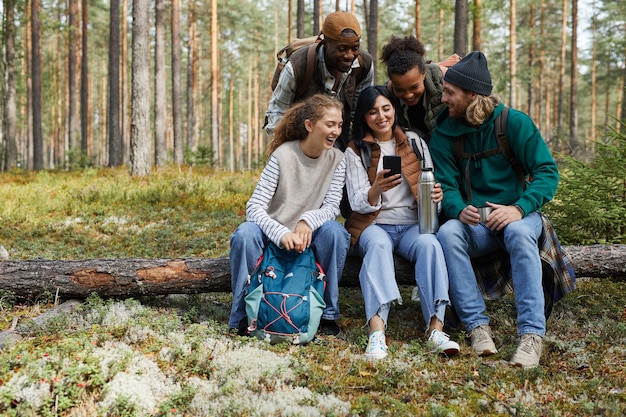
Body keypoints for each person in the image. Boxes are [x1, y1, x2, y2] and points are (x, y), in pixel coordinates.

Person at [429, 51, 561, 368]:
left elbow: (547, 173)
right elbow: (444, 184)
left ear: (472, 95)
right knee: (448, 232)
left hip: (519, 215)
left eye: (450, 93)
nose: (443, 97)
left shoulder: (513, 123)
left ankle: (531, 336)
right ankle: (477, 327)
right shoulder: (444, 132)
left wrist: (519, 208)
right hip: (476, 222)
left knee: (517, 231)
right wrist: (458, 209)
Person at [344, 85, 460, 360]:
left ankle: (436, 329)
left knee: (431, 246)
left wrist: (437, 197)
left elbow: (430, 190)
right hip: (374, 224)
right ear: (363, 117)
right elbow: (355, 201)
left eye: (386, 108)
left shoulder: (415, 142)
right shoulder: (355, 151)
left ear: (394, 109)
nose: (381, 116)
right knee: (377, 247)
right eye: (372, 112)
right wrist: (376, 188)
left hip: (412, 225)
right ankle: (377, 333)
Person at [229, 94, 350, 337]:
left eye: (339, 124)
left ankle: (327, 314)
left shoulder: (337, 158)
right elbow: (254, 207)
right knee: (244, 234)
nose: (336, 131)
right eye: (329, 124)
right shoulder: (283, 155)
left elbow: (332, 206)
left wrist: (307, 220)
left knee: (336, 232)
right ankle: (242, 316)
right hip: (272, 234)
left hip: (308, 236)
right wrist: (281, 232)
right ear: (309, 125)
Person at [264, 11, 374, 151]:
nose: (349, 55)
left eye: (355, 48)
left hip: (340, 141)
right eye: (342, 48)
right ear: (326, 43)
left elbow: (361, 114)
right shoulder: (297, 66)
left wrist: (356, 153)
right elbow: (277, 112)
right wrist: (286, 153)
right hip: (301, 141)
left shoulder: (364, 65)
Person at [380, 35, 459, 143]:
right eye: (399, 90)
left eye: (414, 87)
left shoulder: (445, 80)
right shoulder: (386, 95)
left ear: (423, 73)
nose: (408, 95)